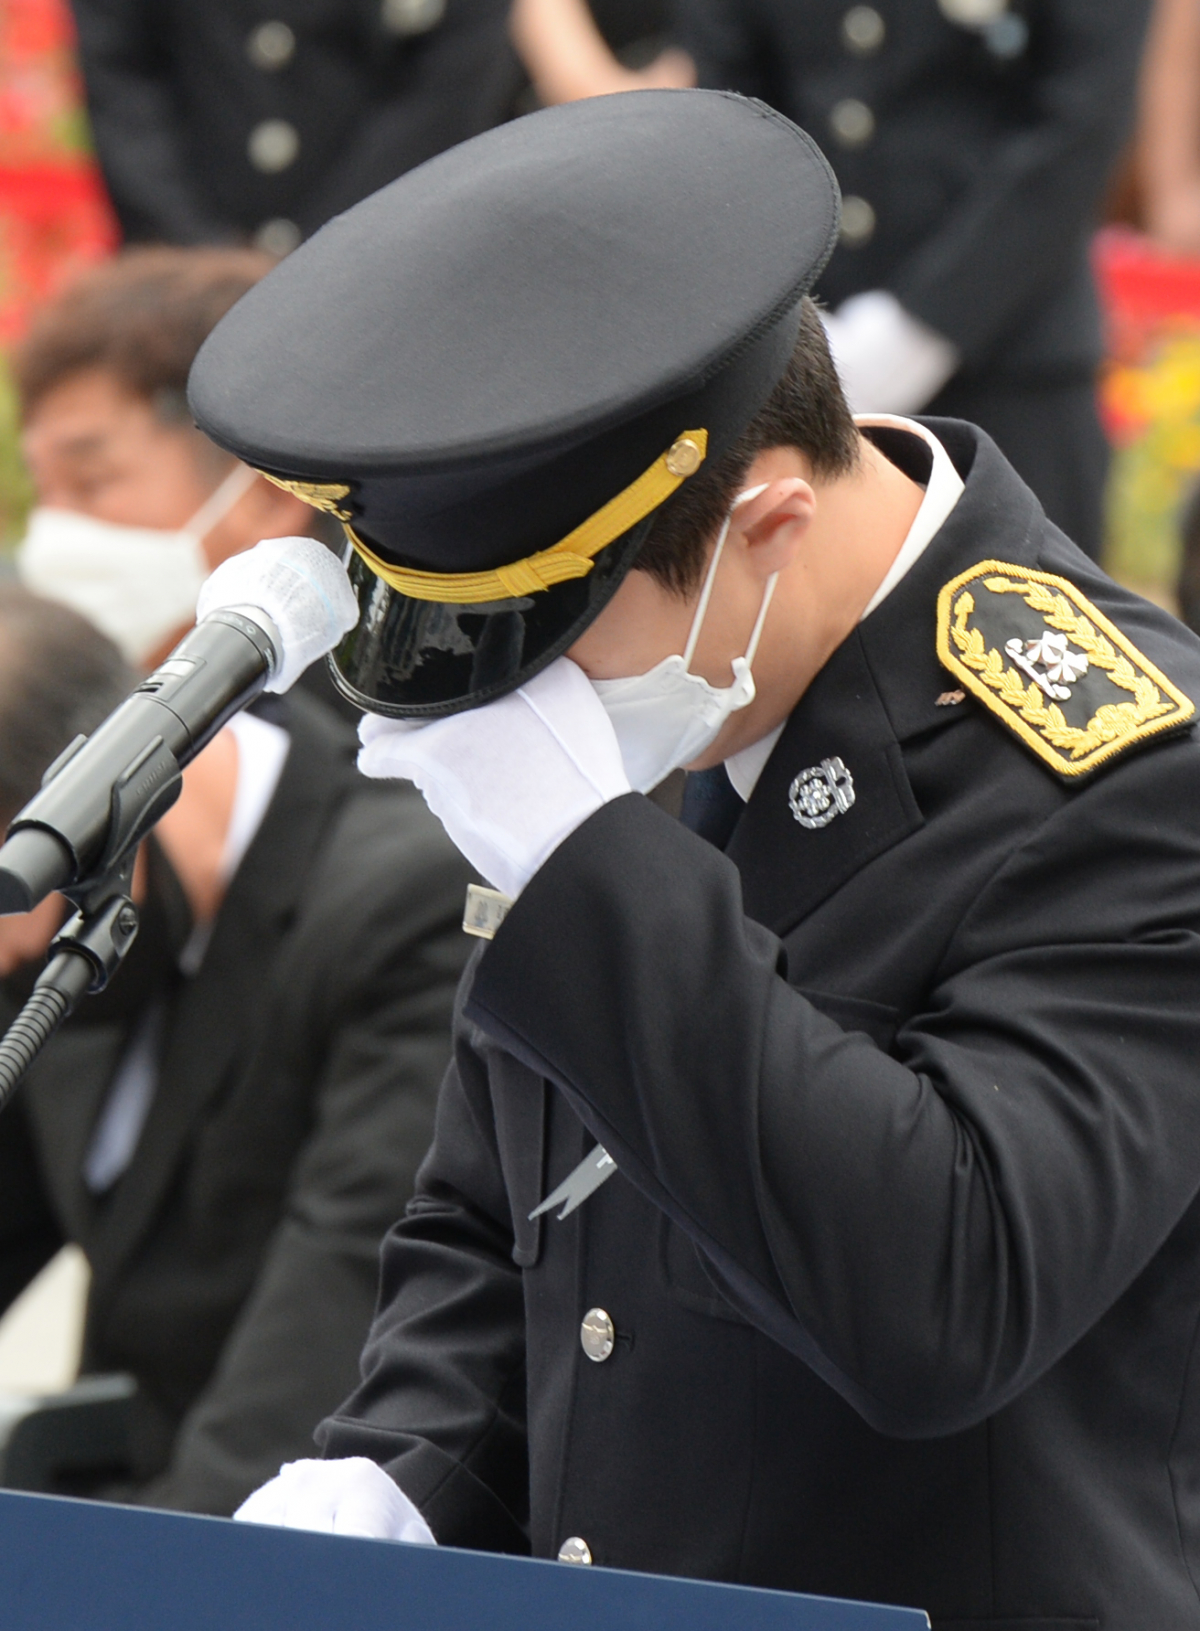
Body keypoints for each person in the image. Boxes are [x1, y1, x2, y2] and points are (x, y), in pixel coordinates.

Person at [191, 91, 1200, 1627]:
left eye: (553, 637)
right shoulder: (688, 687)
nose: (525, 696)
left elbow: (948, 1289)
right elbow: (506, 1203)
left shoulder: (1132, 771)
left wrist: (590, 866)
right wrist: (402, 1463)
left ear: (766, 524)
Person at [0, 251, 475, 1512]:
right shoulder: (80, 891)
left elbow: (309, 1391)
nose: (60, 538)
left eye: (96, 477)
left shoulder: (406, 888)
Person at [585, 0, 1146, 564]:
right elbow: (727, 111)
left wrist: (920, 327)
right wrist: (792, 314)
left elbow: (1083, 120)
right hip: (801, 361)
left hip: (1013, 358)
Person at [68, 0, 518, 257]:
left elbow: (445, 96)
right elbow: (122, 83)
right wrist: (203, 262)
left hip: (380, 274)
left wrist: (318, 262)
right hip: (179, 282)